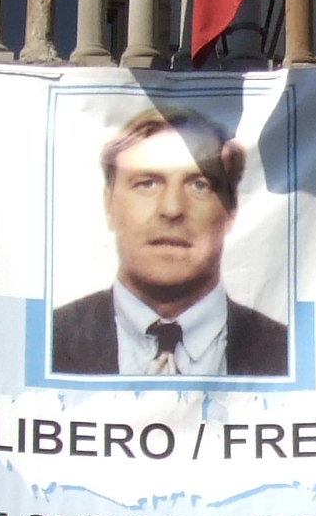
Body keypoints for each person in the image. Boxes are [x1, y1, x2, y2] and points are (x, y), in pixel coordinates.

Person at [48, 105, 292, 378]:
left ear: (231, 210)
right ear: (109, 204)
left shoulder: (287, 353)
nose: (172, 209)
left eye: (200, 185)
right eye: (147, 183)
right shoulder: (47, 340)